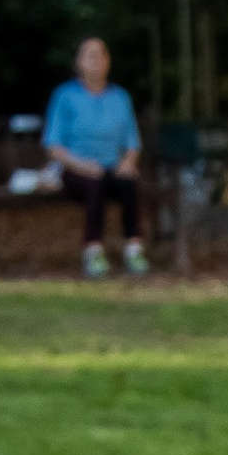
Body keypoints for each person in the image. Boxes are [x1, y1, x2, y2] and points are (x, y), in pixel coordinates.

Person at [40, 36, 148, 278]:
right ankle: (93, 250)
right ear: (78, 63)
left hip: (111, 167)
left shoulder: (120, 98)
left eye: (101, 55)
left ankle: (133, 248)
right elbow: (53, 145)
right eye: (89, 55)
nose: (96, 60)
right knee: (94, 183)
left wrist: (128, 163)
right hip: (74, 170)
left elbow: (132, 142)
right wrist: (82, 165)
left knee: (129, 183)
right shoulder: (64, 96)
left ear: (108, 61)